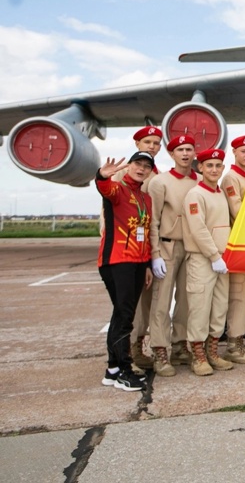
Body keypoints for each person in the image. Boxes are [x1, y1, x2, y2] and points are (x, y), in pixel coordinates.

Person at [105, 126, 161, 375]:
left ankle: (126, 357)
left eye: (157, 143)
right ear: (137, 143)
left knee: (136, 309)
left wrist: (149, 260)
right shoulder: (119, 178)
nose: (152, 146)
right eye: (147, 142)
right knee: (126, 311)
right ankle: (123, 361)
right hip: (120, 254)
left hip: (141, 256)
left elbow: (148, 223)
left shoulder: (150, 183)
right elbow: (106, 200)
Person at [96, 151, 154, 392]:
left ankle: (112, 369)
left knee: (122, 315)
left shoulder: (145, 197)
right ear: (129, 166)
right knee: (124, 316)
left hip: (139, 262)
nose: (141, 169)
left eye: (146, 166)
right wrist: (101, 175)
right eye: (137, 164)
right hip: (118, 260)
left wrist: (148, 264)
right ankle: (124, 371)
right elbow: (103, 187)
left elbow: (147, 231)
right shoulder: (118, 190)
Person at [146, 134, 198, 377]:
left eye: (189, 149)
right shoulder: (160, 182)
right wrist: (154, 253)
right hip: (167, 247)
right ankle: (159, 350)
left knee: (186, 301)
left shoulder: (199, 180)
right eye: (180, 150)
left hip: (192, 247)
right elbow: (153, 220)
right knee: (161, 301)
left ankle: (180, 346)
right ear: (172, 154)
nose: (185, 154)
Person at [182, 148, 233, 376]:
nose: (214, 169)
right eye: (209, 165)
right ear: (200, 168)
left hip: (222, 260)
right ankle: (198, 355)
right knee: (200, 308)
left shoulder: (220, 193)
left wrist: (221, 257)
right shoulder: (196, 194)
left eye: (218, 166)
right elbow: (198, 228)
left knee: (219, 308)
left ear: (223, 168)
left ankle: (213, 351)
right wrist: (213, 256)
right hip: (204, 259)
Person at [221, 135, 245, 365]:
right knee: (238, 294)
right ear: (234, 152)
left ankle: (240, 339)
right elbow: (238, 210)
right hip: (239, 242)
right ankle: (233, 344)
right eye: (243, 151)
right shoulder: (231, 178)